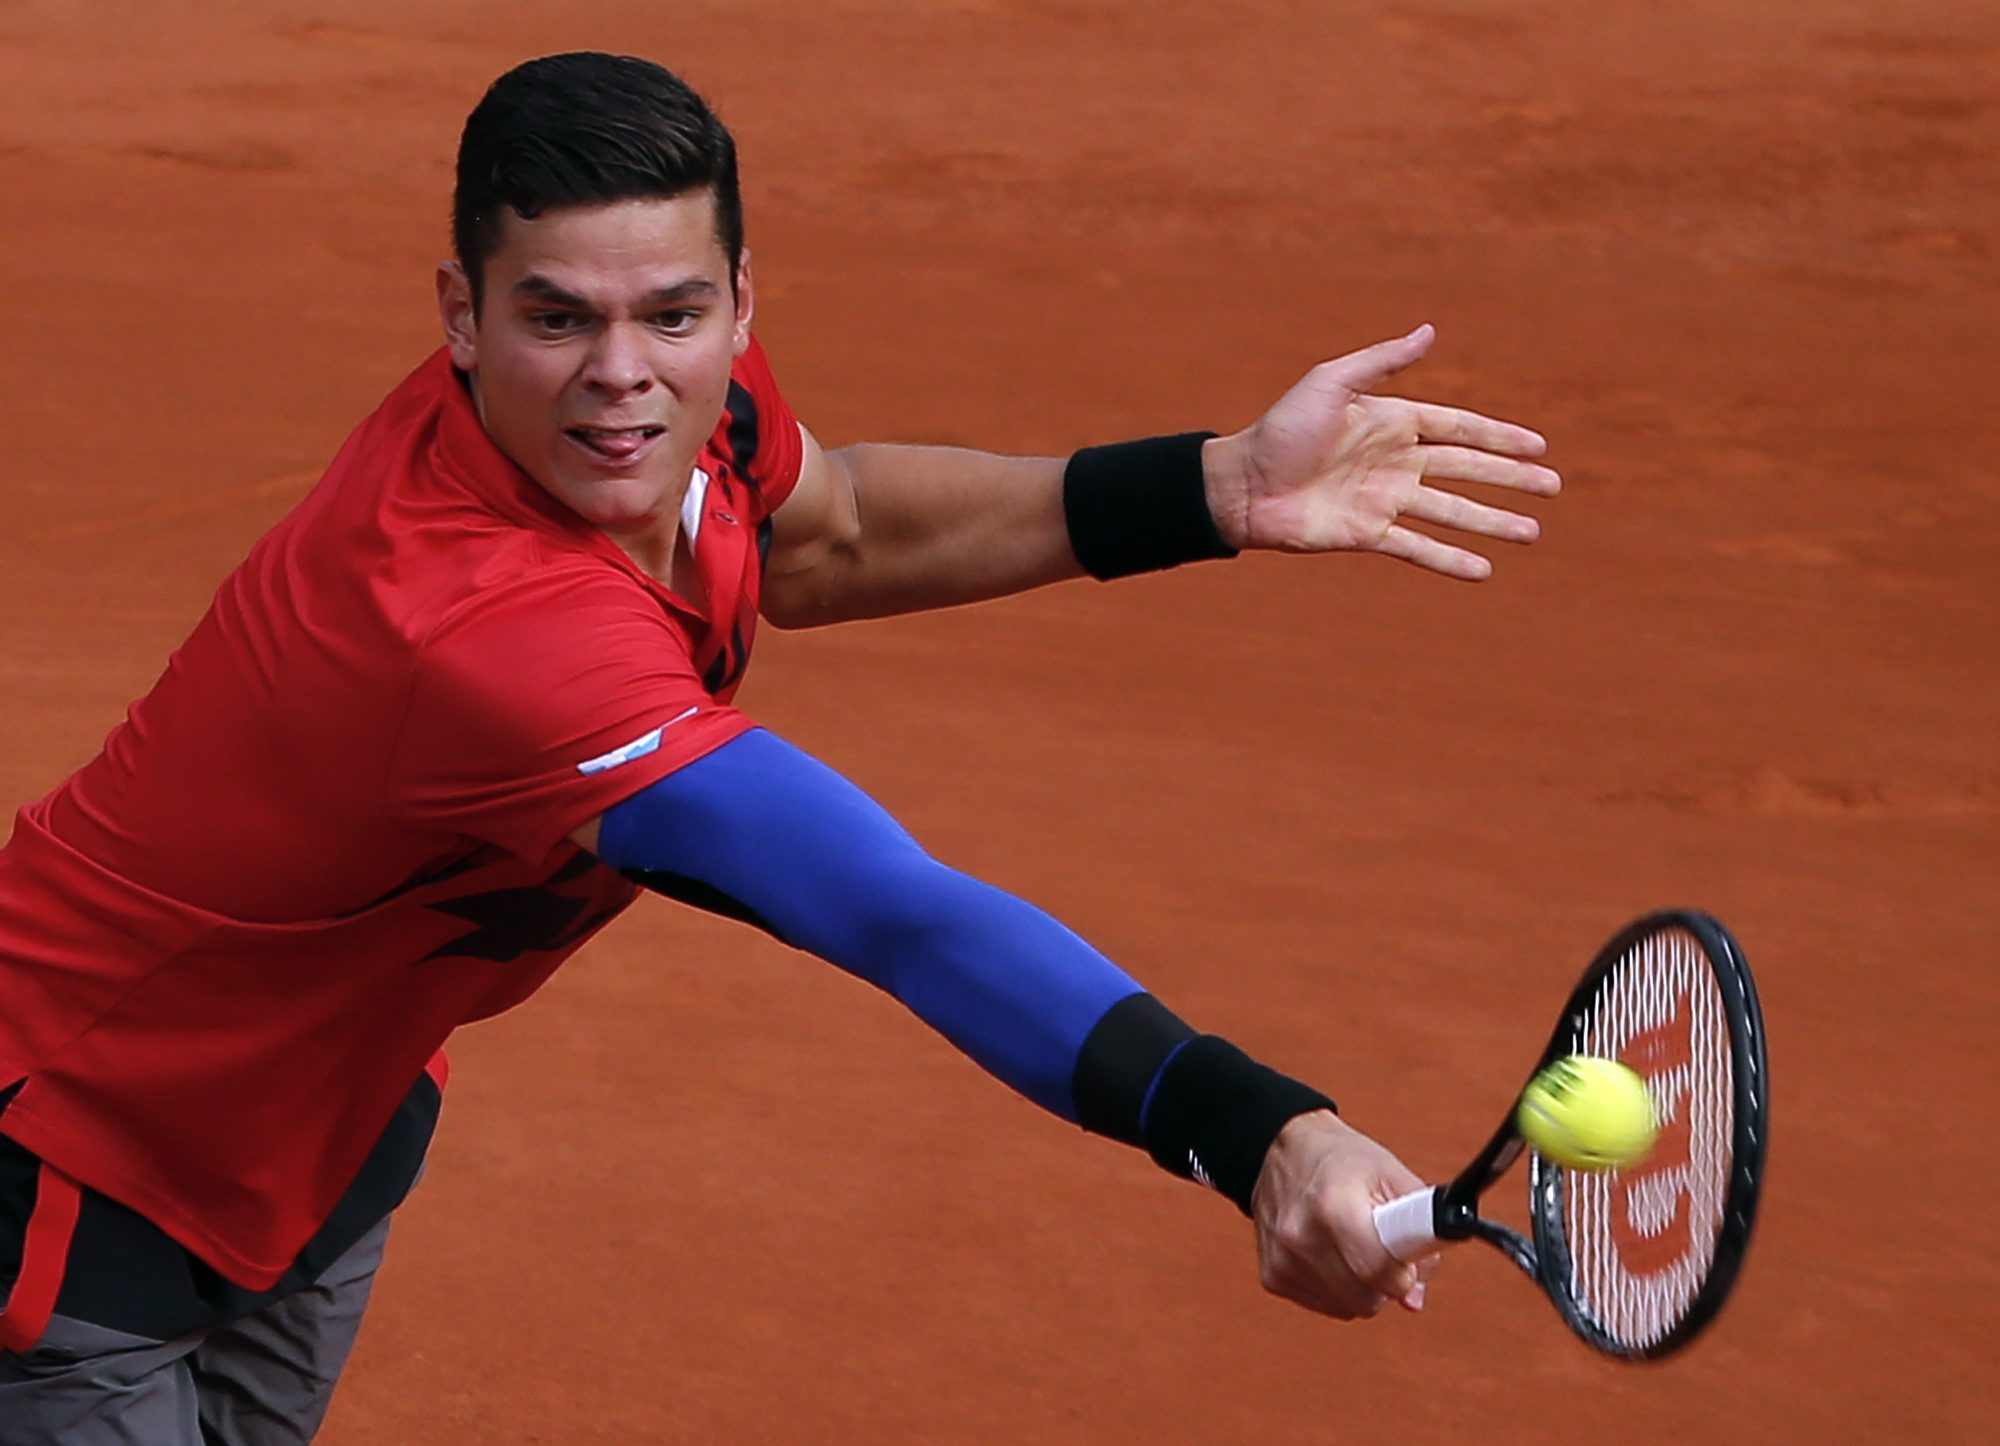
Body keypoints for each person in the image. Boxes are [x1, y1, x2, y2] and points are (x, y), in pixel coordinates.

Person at [0, 51, 1560, 1445]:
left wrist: (1211, 489)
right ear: (460, 316)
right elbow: (884, 905)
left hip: (322, 1133)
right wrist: (1259, 1129)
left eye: (673, 313)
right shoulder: (475, 628)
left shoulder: (689, 412)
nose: (624, 377)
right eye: (555, 317)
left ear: (742, 302)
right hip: (85, 1155)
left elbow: (838, 532)